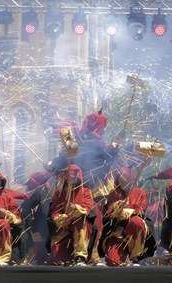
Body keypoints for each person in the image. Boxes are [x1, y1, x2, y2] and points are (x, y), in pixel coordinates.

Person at [46, 109, 119, 265]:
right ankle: (87, 255)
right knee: (92, 222)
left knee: (88, 221)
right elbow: (106, 160)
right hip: (84, 187)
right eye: (102, 127)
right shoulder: (93, 142)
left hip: (80, 187)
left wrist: (53, 164)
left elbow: (62, 159)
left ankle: (85, 254)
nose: (103, 130)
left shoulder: (77, 138)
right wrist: (113, 149)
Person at [98, 168, 156, 266]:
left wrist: (130, 211)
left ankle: (136, 257)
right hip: (118, 231)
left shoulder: (140, 193)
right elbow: (109, 213)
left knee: (137, 222)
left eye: (124, 177)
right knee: (112, 260)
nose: (122, 181)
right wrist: (117, 209)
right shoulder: (114, 193)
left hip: (134, 230)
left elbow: (141, 210)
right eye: (120, 178)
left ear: (129, 178)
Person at [47, 164, 94, 266]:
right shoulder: (58, 193)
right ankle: (69, 256)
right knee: (56, 259)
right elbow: (55, 210)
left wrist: (75, 208)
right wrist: (61, 218)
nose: (71, 181)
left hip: (80, 227)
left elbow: (87, 209)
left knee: (80, 222)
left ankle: (80, 256)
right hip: (64, 228)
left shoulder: (85, 192)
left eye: (73, 179)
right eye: (69, 179)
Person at [20, 170, 53, 265]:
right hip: (47, 227)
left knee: (39, 256)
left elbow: (25, 208)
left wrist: (28, 218)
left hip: (40, 228)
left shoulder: (38, 191)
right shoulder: (50, 190)